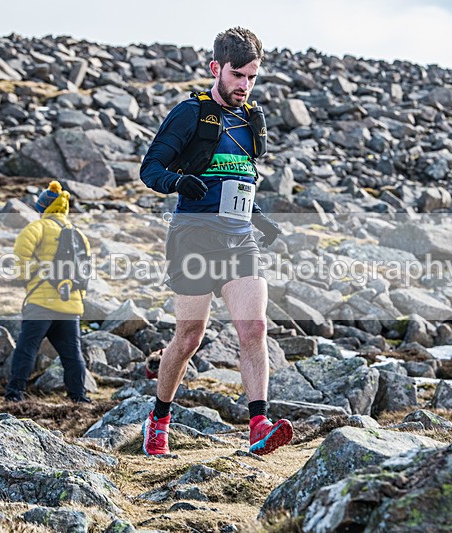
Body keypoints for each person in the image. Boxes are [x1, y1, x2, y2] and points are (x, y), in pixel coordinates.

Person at [139, 27, 290, 456]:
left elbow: (236, 180)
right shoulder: (189, 113)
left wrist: (261, 220)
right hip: (192, 238)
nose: (244, 85)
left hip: (240, 240)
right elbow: (150, 170)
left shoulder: (251, 121)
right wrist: (178, 182)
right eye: (237, 75)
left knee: (254, 327)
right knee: (189, 336)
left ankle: (258, 423)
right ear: (216, 68)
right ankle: (160, 418)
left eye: (252, 77)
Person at [4, 180, 92, 404]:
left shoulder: (37, 228)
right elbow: (85, 270)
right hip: (70, 305)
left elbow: (19, 262)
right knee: (73, 355)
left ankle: (15, 393)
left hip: (41, 303)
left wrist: (32, 275)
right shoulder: (79, 235)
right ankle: (79, 397)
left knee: (27, 348)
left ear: (45, 207)